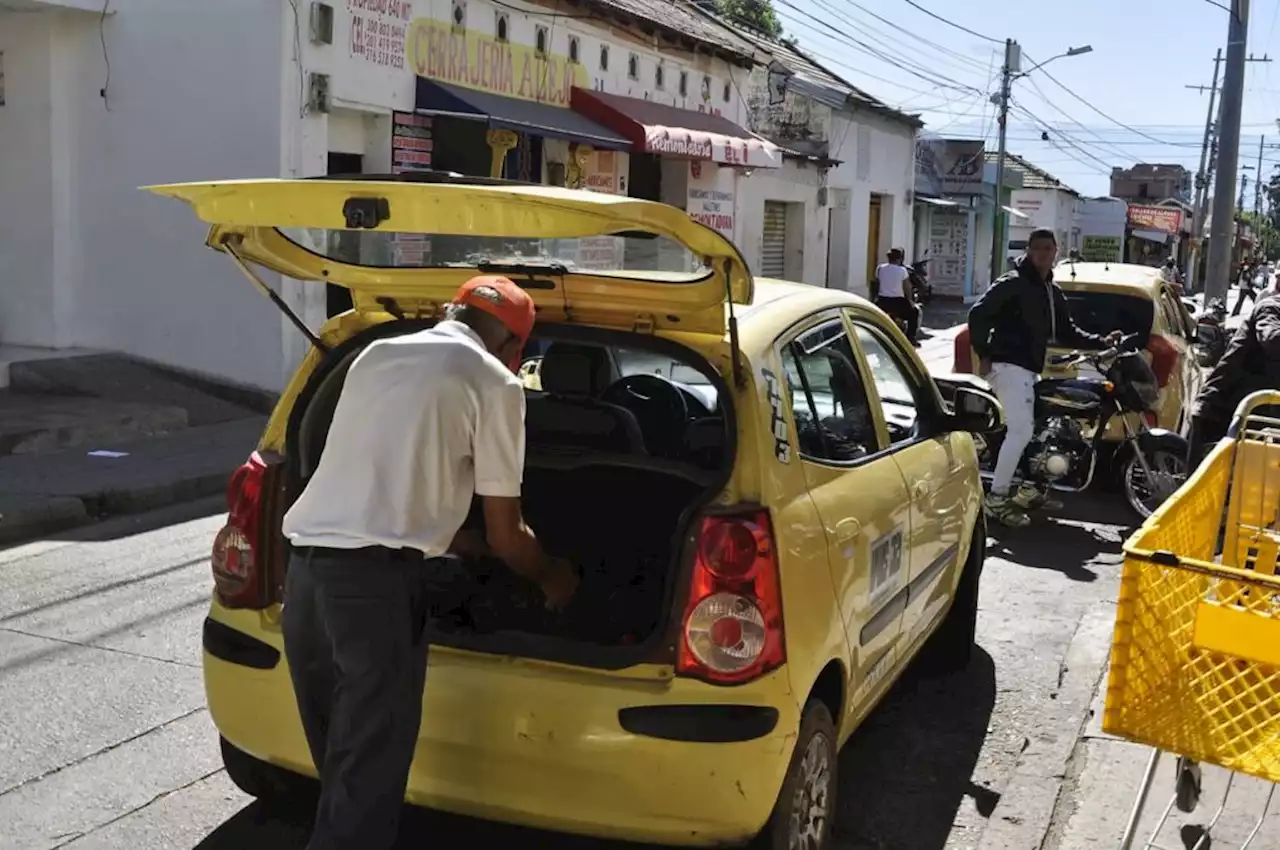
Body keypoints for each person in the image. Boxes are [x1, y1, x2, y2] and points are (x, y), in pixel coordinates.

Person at [280, 275, 580, 850]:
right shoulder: (495, 385)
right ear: (515, 350)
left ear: (451, 311)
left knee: (342, 778)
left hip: (307, 582)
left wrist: (456, 539)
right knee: (362, 791)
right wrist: (553, 577)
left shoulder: (373, 353)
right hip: (373, 592)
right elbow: (509, 534)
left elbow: (385, 481)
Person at [967, 228, 1123, 528]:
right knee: (1022, 431)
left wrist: (1103, 341)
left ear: (1056, 251)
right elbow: (978, 314)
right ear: (1028, 251)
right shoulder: (1013, 283)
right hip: (1008, 366)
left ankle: (1033, 488)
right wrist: (984, 353)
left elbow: (1068, 331)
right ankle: (996, 499)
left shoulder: (1051, 291)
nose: (1042, 253)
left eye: (1047, 249)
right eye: (1036, 248)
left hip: (1029, 369)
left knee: (1042, 428)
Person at [1189, 276, 1280, 465]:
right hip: (1222, 408)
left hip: (1253, 415)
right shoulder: (1270, 308)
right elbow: (1271, 338)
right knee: (1207, 485)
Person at [874, 248, 920, 345]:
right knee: (914, 313)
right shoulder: (902, 270)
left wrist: (877, 296)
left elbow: (877, 284)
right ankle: (910, 337)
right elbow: (907, 287)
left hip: (883, 301)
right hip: (898, 302)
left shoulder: (880, 268)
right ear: (900, 259)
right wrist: (910, 301)